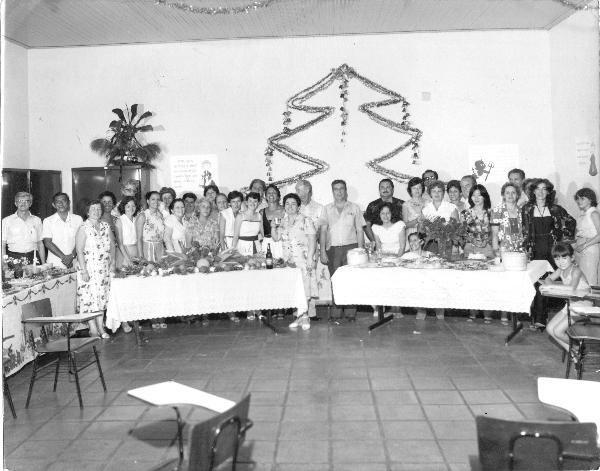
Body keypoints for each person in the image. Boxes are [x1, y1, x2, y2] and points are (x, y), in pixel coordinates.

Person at [522, 178, 576, 329]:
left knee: (547, 282)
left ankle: (541, 318)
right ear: (533, 191)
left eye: (544, 189)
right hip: (535, 249)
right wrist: (525, 248)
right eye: (537, 189)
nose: (540, 192)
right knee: (535, 282)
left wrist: (562, 237)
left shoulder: (555, 208)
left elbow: (571, 221)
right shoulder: (526, 208)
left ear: (548, 192)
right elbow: (525, 230)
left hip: (552, 249)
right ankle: (537, 317)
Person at [319, 179, 365, 322]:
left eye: (341, 189)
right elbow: (323, 231)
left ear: (346, 191)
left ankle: (351, 311)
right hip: (332, 249)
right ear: (332, 191)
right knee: (335, 280)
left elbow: (359, 230)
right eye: (336, 189)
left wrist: (361, 251)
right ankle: (336, 310)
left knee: (350, 280)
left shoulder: (354, 208)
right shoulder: (326, 209)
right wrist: (322, 251)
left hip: (351, 248)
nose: (339, 192)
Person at [272, 193, 317, 330]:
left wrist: (310, 258)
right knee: (296, 289)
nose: (290, 206)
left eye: (293, 204)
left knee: (305, 288)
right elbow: (276, 238)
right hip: (289, 261)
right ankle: (300, 317)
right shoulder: (283, 221)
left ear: (298, 206)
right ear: (284, 206)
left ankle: (305, 317)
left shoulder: (305, 220)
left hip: (303, 259)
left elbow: (312, 239)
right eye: (287, 204)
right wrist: (273, 226)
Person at [75, 200, 114, 339]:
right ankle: (93, 329)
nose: (96, 212)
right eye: (93, 209)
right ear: (87, 211)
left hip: (103, 269)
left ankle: (101, 327)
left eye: (98, 209)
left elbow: (112, 246)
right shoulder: (83, 227)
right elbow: (79, 250)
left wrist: (112, 263)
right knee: (90, 299)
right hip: (89, 269)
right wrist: (84, 271)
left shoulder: (105, 226)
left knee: (101, 298)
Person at [421, 180, 459, 320]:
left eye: (439, 191)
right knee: (427, 277)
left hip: (446, 245)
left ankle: (440, 310)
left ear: (444, 193)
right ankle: (423, 309)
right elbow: (423, 229)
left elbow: (455, 227)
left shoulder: (451, 207)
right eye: (434, 191)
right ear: (430, 193)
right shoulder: (426, 208)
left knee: (442, 278)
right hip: (430, 245)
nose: (436, 193)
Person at [543, 242, 591, 352]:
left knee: (558, 332)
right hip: (571, 304)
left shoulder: (576, 270)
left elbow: (571, 288)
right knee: (550, 329)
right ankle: (573, 351)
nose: (561, 262)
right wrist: (549, 284)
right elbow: (547, 279)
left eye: (564, 258)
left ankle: (578, 349)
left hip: (583, 304)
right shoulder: (560, 270)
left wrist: (550, 287)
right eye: (557, 259)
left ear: (572, 258)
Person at [491, 182, 524, 326]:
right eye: (507, 193)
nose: (510, 196)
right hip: (504, 250)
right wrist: (496, 250)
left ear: (517, 195)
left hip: (518, 250)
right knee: (504, 283)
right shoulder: (498, 210)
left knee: (516, 283)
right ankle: (503, 313)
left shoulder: (521, 210)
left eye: (513, 193)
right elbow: (494, 233)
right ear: (503, 195)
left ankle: (514, 314)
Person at [296, 179, 330, 318]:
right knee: (298, 278)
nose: (299, 193)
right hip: (296, 249)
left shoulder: (319, 208)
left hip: (311, 248)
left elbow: (322, 231)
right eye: (297, 190)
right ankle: (298, 309)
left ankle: (310, 311)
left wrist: (322, 250)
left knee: (310, 276)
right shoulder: (294, 206)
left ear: (309, 191)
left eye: (301, 190)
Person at [136, 191, 167, 330]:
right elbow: (138, 238)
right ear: (148, 201)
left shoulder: (160, 215)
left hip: (160, 249)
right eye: (152, 199)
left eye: (157, 200)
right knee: (150, 284)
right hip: (148, 248)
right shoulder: (143, 215)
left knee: (161, 282)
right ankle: (153, 318)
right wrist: (142, 257)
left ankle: (162, 316)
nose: (155, 202)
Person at [2, 191, 45, 265]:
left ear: (30, 204)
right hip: (13, 259)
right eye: (20, 201)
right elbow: (2, 245)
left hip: (33, 258)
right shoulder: (6, 221)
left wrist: (44, 263)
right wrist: (4, 264)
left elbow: (40, 244)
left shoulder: (37, 220)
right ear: (16, 203)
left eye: (26, 201)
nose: (23, 203)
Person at [42, 192, 82, 269]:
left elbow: (80, 240)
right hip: (55, 263)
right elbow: (47, 242)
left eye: (64, 200)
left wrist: (71, 256)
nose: (60, 203)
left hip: (75, 261)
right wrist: (64, 258)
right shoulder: (48, 221)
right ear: (54, 205)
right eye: (57, 201)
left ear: (69, 202)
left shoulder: (78, 219)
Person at [400, 232, 431, 319]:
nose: (412, 243)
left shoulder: (429, 255)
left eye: (415, 240)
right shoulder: (406, 256)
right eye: (410, 241)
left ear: (421, 242)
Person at [364, 178, 404, 243]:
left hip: (399, 242)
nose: (385, 190)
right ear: (379, 190)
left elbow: (406, 224)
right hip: (378, 242)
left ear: (393, 189)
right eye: (382, 187)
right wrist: (375, 242)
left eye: (388, 187)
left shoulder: (401, 204)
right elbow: (366, 226)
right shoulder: (372, 205)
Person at [573, 188, 600, 285]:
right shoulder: (582, 214)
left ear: (590, 199)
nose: (579, 201)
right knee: (581, 282)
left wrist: (584, 245)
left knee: (589, 281)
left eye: (582, 198)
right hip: (580, 249)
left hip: (590, 249)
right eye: (578, 199)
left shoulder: (594, 213)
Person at [462, 184, 494, 259]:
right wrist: (472, 240)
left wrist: (487, 241)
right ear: (470, 197)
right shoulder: (465, 213)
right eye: (473, 195)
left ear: (484, 197)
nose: (476, 198)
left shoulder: (491, 213)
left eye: (479, 195)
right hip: (470, 249)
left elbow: (495, 232)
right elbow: (462, 233)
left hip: (488, 248)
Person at [232, 192, 263, 258]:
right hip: (242, 246)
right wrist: (232, 250)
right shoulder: (240, 216)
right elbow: (235, 236)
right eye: (250, 201)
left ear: (258, 203)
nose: (252, 203)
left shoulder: (259, 216)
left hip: (256, 246)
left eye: (255, 201)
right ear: (246, 202)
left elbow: (263, 234)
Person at [261, 184, 285, 259]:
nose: (271, 194)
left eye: (274, 193)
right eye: (269, 193)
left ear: (278, 196)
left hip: (281, 243)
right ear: (265, 196)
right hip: (267, 244)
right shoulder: (261, 212)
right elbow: (261, 231)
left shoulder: (284, 210)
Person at [114, 196, 140, 267]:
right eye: (128, 206)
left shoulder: (137, 220)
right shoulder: (120, 221)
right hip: (124, 253)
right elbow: (120, 243)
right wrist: (128, 259)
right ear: (123, 207)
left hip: (136, 251)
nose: (131, 209)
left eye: (133, 206)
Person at [402, 177, 427, 247]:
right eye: (414, 188)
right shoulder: (406, 204)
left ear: (422, 189)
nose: (417, 190)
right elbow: (405, 225)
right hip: (411, 234)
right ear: (410, 190)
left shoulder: (428, 202)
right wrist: (416, 221)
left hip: (426, 234)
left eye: (419, 187)